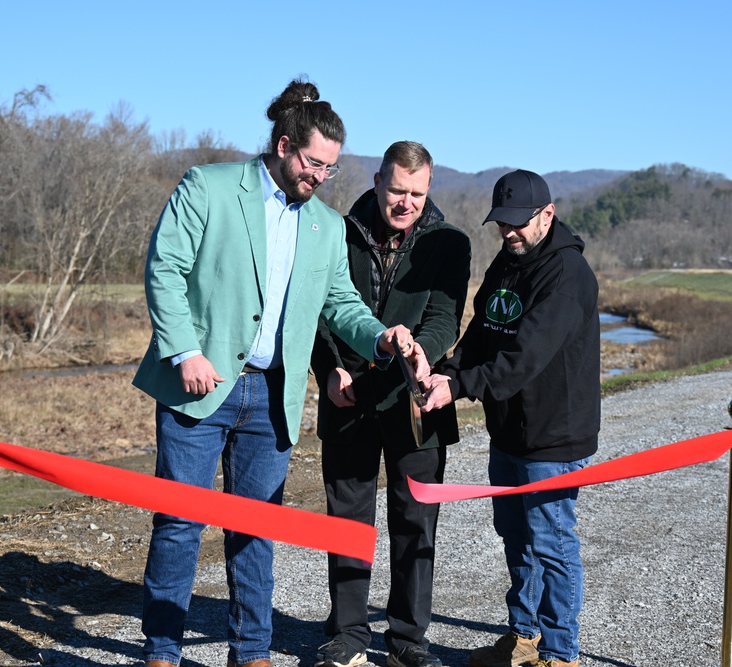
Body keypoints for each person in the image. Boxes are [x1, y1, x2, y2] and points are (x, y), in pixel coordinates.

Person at [132, 78, 419, 667]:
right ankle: (162, 652)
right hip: (200, 387)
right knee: (180, 524)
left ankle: (252, 653)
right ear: (285, 145)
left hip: (273, 397)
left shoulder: (328, 226)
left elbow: (340, 306)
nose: (319, 177)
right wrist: (185, 351)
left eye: (331, 170)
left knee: (256, 530)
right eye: (314, 163)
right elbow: (164, 270)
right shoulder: (208, 186)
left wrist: (381, 336)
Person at [421, 169, 600, 667]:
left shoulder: (567, 276)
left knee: (552, 542)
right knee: (516, 537)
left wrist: (460, 387)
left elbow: (523, 358)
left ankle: (561, 654)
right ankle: (524, 638)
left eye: (519, 224)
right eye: (502, 224)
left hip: (553, 436)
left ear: (548, 214)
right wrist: (448, 371)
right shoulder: (508, 260)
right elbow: (484, 330)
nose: (510, 233)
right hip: (509, 432)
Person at [310, 142, 471, 667]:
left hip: (417, 398)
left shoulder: (451, 242)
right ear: (378, 181)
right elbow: (319, 311)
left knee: (416, 522)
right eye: (398, 190)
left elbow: (446, 315)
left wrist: (427, 354)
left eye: (418, 194)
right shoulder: (334, 229)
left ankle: (407, 642)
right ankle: (348, 635)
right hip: (348, 395)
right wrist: (328, 367)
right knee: (347, 521)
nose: (406, 202)